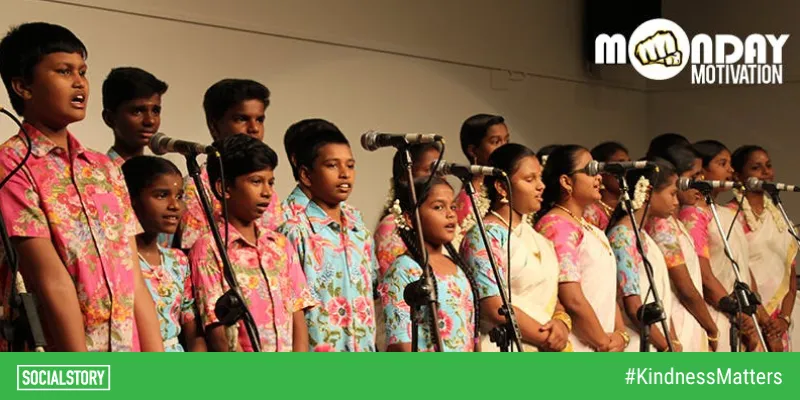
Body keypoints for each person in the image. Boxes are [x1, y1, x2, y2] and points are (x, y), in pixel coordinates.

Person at [0, 22, 162, 351]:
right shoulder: (12, 163)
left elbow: (132, 276)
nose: (79, 83)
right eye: (64, 71)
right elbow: (48, 279)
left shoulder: (105, 169)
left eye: (82, 72)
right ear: (23, 86)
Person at [189, 135, 315, 351]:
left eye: (270, 182)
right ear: (223, 188)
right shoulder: (209, 249)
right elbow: (218, 329)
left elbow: (297, 313)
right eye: (256, 181)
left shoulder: (280, 245)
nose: (267, 192)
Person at [460, 143, 571, 352]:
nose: (541, 186)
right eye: (530, 179)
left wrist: (561, 324)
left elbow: (553, 298)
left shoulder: (537, 238)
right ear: (502, 187)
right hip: (504, 346)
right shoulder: (483, 236)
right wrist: (546, 338)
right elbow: (494, 307)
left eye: (540, 178)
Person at [278, 129, 378, 352]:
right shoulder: (295, 230)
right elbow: (290, 304)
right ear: (306, 175)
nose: (344, 174)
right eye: (332, 165)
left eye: (350, 166)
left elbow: (370, 292)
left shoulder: (359, 229)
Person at [534, 145, 628, 352]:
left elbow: (606, 289)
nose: (599, 177)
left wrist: (621, 334)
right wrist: (602, 342)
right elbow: (571, 298)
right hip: (577, 346)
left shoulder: (589, 227)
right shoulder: (557, 225)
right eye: (590, 171)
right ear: (566, 181)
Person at [679, 140, 766, 351]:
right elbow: (704, 275)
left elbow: (742, 267)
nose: (731, 170)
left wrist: (757, 311)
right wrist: (736, 313)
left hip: (743, 315)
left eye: (730, 164)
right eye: (722, 163)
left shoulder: (726, 213)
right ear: (701, 171)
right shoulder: (693, 215)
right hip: (718, 312)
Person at [178, 78, 282, 251]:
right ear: (214, 126)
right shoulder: (196, 187)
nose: (254, 128)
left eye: (259, 119)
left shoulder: (267, 188)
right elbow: (195, 252)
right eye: (242, 119)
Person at [381, 176, 479, 351]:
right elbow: (400, 345)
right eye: (438, 207)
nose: (450, 214)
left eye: (453, 207)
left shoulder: (457, 268)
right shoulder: (403, 270)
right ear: (410, 218)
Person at [122, 156, 206, 351]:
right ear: (131, 199)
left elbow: (194, 333)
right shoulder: (119, 263)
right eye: (161, 195)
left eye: (179, 196)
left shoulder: (177, 261)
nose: (174, 205)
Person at [645, 145, 720, 351]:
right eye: (693, 176)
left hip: (689, 320)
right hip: (678, 321)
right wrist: (712, 328)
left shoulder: (672, 221)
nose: (700, 182)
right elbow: (685, 288)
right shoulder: (661, 224)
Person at [607, 159, 682, 351]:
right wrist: (666, 346)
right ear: (648, 192)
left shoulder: (643, 235)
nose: (676, 202)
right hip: (639, 343)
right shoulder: (622, 237)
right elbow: (633, 307)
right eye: (672, 194)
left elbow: (661, 297)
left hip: (658, 341)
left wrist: (673, 341)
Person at [730, 145, 798, 351]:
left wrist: (784, 319)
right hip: (748, 320)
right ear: (738, 175)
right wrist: (765, 321)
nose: (765, 172)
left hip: (779, 323)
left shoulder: (780, 219)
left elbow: (790, 276)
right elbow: (734, 274)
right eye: (756, 168)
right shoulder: (730, 217)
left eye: (768, 166)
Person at [102, 67, 168, 168]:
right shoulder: (97, 173)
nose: (150, 121)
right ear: (109, 118)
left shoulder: (161, 172)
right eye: (137, 111)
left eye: (155, 111)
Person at [454, 114, 510, 226]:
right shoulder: (470, 197)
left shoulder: (508, 186)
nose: (505, 148)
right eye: (495, 142)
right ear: (473, 151)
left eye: (506, 140)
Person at [584, 141, 630, 230]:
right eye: (621, 165)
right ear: (600, 170)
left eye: (629, 164)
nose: (627, 171)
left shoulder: (629, 207)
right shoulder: (591, 212)